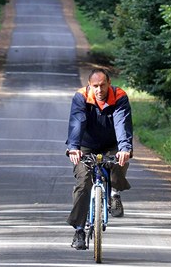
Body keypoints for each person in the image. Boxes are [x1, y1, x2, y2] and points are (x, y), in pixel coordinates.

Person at [65, 68, 133, 250]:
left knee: (121, 161)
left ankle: (114, 192)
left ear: (109, 84)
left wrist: (125, 148)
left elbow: (121, 122)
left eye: (103, 85)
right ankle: (79, 230)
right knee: (83, 182)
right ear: (89, 85)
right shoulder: (81, 96)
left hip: (112, 144)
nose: (99, 89)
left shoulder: (119, 96)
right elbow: (77, 122)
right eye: (95, 86)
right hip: (85, 146)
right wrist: (73, 147)